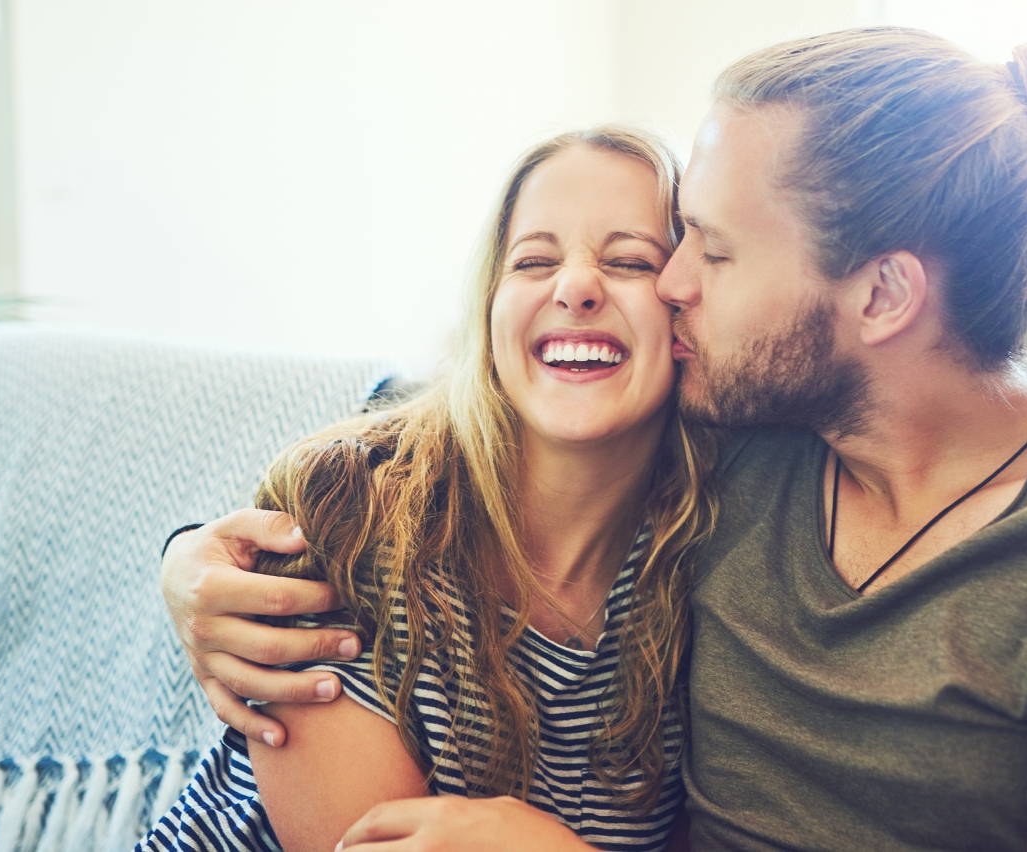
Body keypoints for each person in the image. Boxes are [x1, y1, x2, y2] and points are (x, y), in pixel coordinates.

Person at [162, 27, 1027, 852]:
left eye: (708, 252)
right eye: (673, 241)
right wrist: (191, 561)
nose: (672, 286)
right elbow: (457, 422)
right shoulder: (747, 440)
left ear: (882, 295)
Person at [141, 125, 718, 852]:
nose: (575, 287)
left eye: (630, 260)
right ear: (488, 311)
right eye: (533, 260)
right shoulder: (351, 514)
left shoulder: (708, 561)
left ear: (687, 314)